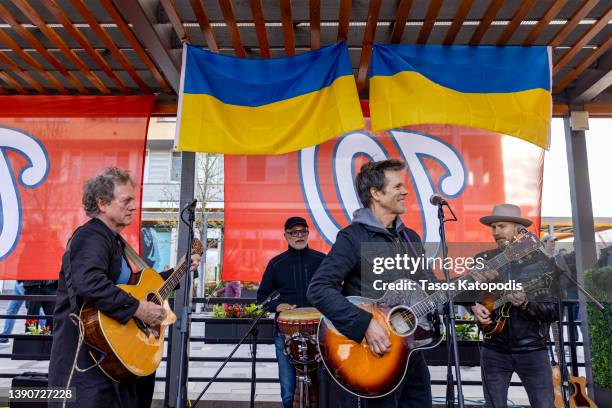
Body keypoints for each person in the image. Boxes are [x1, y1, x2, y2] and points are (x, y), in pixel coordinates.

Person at [48, 167, 200, 408]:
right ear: (102, 203)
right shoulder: (92, 237)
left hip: (107, 366)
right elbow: (89, 283)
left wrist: (178, 270)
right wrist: (138, 309)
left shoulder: (113, 241)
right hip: (87, 370)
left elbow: (136, 288)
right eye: (126, 200)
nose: (133, 206)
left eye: (134, 200)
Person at [307, 159, 434, 408]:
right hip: (374, 355)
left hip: (411, 353)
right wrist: (365, 324)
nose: (405, 191)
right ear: (376, 193)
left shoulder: (411, 238)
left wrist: (472, 293)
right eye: (397, 186)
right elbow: (319, 289)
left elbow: (431, 288)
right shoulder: (352, 238)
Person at [471, 204, 558, 408]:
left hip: (532, 349)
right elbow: (469, 294)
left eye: (501, 226)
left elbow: (554, 311)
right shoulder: (482, 259)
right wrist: (473, 306)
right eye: (493, 227)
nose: (496, 232)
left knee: (544, 405)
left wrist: (526, 304)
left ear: (519, 229)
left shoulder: (540, 263)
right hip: (493, 349)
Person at [257, 216, 326, 408]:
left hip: (320, 333)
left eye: (302, 232)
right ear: (285, 236)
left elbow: (335, 290)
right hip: (285, 334)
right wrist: (276, 306)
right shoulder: (276, 264)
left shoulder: (322, 260)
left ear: (308, 234)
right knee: (288, 390)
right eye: (294, 232)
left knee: (321, 388)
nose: (299, 236)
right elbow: (261, 297)